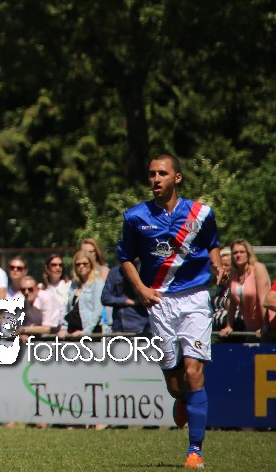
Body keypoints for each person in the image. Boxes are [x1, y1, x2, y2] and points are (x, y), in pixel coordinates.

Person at [117, 153, 223, 469]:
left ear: (177, 177)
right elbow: (125, 258)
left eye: (162, 173)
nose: (155, 179)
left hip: (194, 298)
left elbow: (213, 243)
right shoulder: (135, 217)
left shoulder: (201, 213)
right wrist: (141, 289)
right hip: (159, 301)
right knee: (176, 385)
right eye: (151, 174)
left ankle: (195, 450)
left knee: (193, 371)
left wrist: (217, 264)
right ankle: (181, 398)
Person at [221, 238, 271, 338]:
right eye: (235, 253)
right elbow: (232, 303)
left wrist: (265, 326)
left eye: (242, 252)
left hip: (266, 326)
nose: (238, 255)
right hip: (249, 327)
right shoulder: (234, 273)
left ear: (248, 253)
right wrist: (229, 326)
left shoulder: (258, 268)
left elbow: (263, 301)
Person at [62, 250, 104, 335]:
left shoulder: (97, 283)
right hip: (72, 331)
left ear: (91, 264)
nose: (81, 266)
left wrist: (86, 331)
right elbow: (68, 309)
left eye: (85, 263)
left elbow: (98, 311)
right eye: (78, 264)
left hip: (90, 332)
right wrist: (64, 328)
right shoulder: (74, 284)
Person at [102, 260, 150, 334]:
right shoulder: (114, 272)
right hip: (118, 327)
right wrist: (126, 301)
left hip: (142, 327)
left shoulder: (146, 271)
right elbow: (105, 298)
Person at [211, 247, 232, 332]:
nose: (222, 268)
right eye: (221, 265)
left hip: (235, 333)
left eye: (226, 265)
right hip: (217, 333)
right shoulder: (219, 289)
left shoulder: (237, 288)